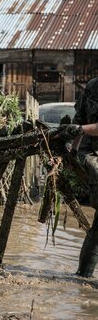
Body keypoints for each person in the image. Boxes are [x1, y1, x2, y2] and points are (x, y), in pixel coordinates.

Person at [59, 77, 98, 277]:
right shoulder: (92, 86)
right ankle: (83, 277)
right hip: (92, 154)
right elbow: (79, 120)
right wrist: (72, 153)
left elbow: (82, 127)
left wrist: (81, 130)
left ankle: (84, 277)